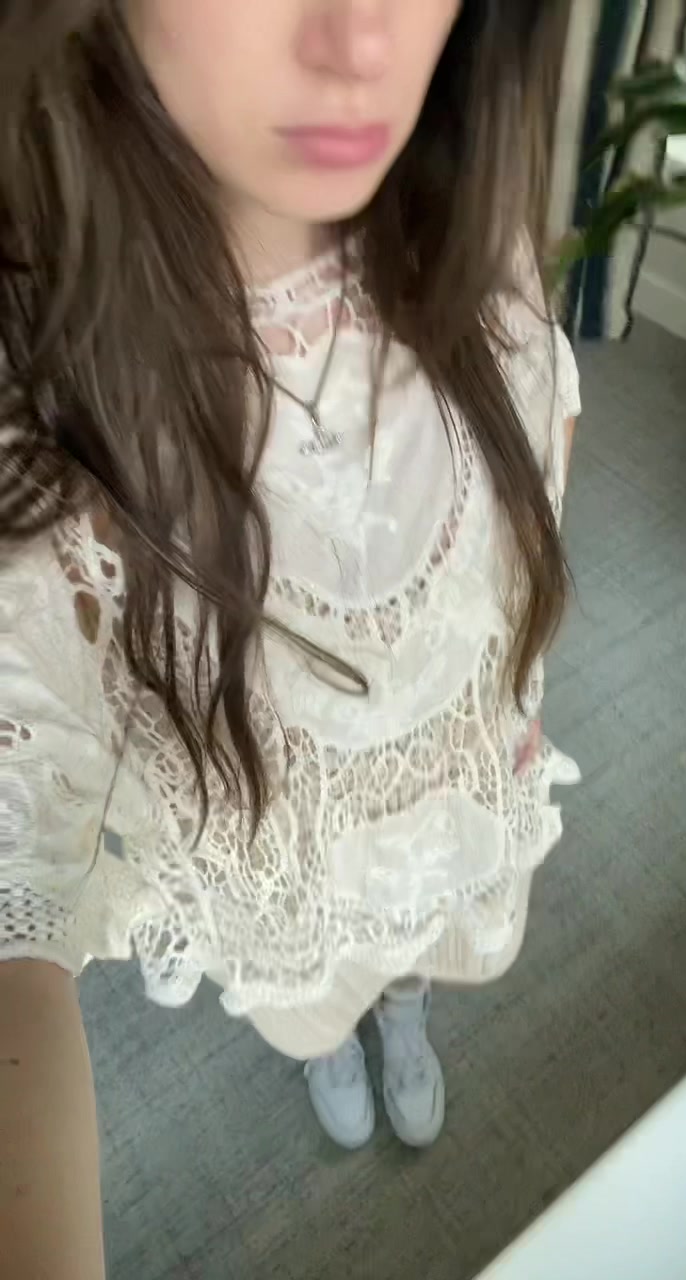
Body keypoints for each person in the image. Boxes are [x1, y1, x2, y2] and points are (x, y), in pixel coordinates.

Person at [0, 1, 581, 1274]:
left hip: (449, 789)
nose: (361, 39)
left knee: (417, 945)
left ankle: (403, 1006)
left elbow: (538, 453)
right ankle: (334, 1035)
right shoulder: (48, 385)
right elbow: (11, 866)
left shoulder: (470, 220)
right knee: (321, 982)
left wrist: (515, 683)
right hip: (289, 868)